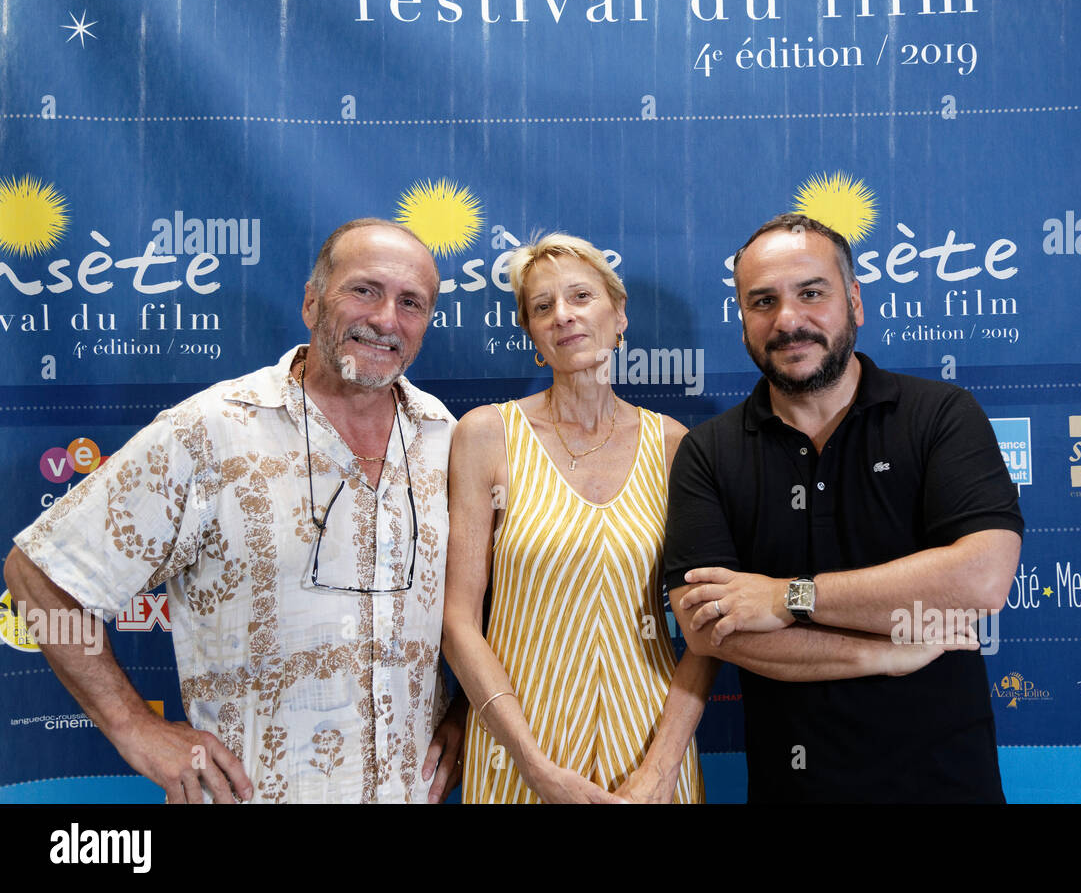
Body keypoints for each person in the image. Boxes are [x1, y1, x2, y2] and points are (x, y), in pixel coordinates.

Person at [3, 218, 465, 803]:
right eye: (364, 290)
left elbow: (496, 602)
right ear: (312, 302)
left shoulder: (446, 438)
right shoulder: (209, 432)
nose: (385, 320)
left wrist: (468, 712)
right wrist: (132, 725)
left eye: (411, 303)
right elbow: (36, 575)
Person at [665, 213, 1023, 803]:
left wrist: (785, 598)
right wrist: (887, 650)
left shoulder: (942, 415)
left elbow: (980, 581)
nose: (788, 320)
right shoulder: (708, 452)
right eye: (762, 301)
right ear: (744, 318)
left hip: (948, 788)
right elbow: (710, 634)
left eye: (811, 293)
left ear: (854, 301)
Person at [443, 233, 714, 803]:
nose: (563, 315)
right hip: (516, 752)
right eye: (542, 307)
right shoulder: (486, 436)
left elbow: (708, 628)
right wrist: (533, 764)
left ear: (619, 317)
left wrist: (660, 772)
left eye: (581, 297)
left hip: (648, 752)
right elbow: (458, 621)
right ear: (532, 336)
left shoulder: (673, 446)